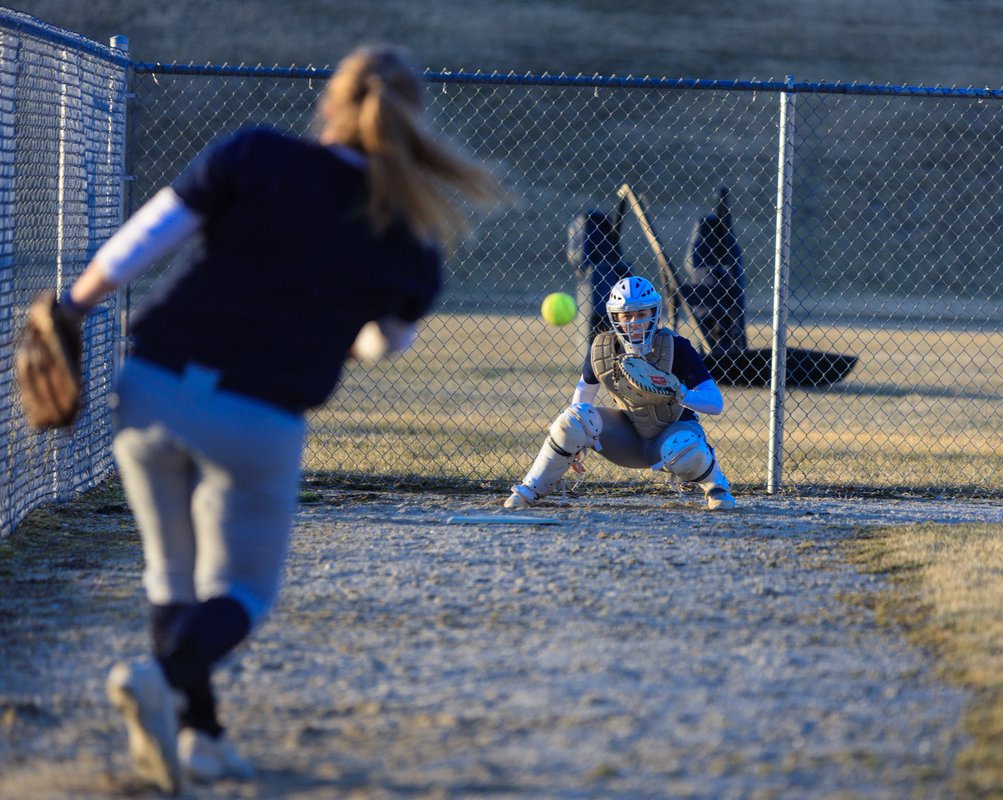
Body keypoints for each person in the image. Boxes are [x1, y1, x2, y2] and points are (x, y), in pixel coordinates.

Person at [57, 44, 503, 793]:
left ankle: (200, 740)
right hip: (258, 415)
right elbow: (383, 342)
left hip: (154, 382)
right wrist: (339, 331)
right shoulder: (407, 237)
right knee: (242, 591)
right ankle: (163, 682)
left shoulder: (256, 153)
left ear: (330, 103)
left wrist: (70, 305)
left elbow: (147, 239)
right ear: (410, 125)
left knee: (171, 573)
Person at [504, 275, 736, 512]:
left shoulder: (676, 346)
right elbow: (582, 399)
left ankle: (716, 487)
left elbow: (715, 404)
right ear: (615, 318)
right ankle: (529, 490)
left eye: (641, 314)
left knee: (683, 447)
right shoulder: (603, 349)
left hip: (672, 431)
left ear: (653, 314)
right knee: (572, 420)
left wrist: (679, 392)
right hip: (629, 436)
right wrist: (575, 443)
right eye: (626, 316)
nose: (634, 322)